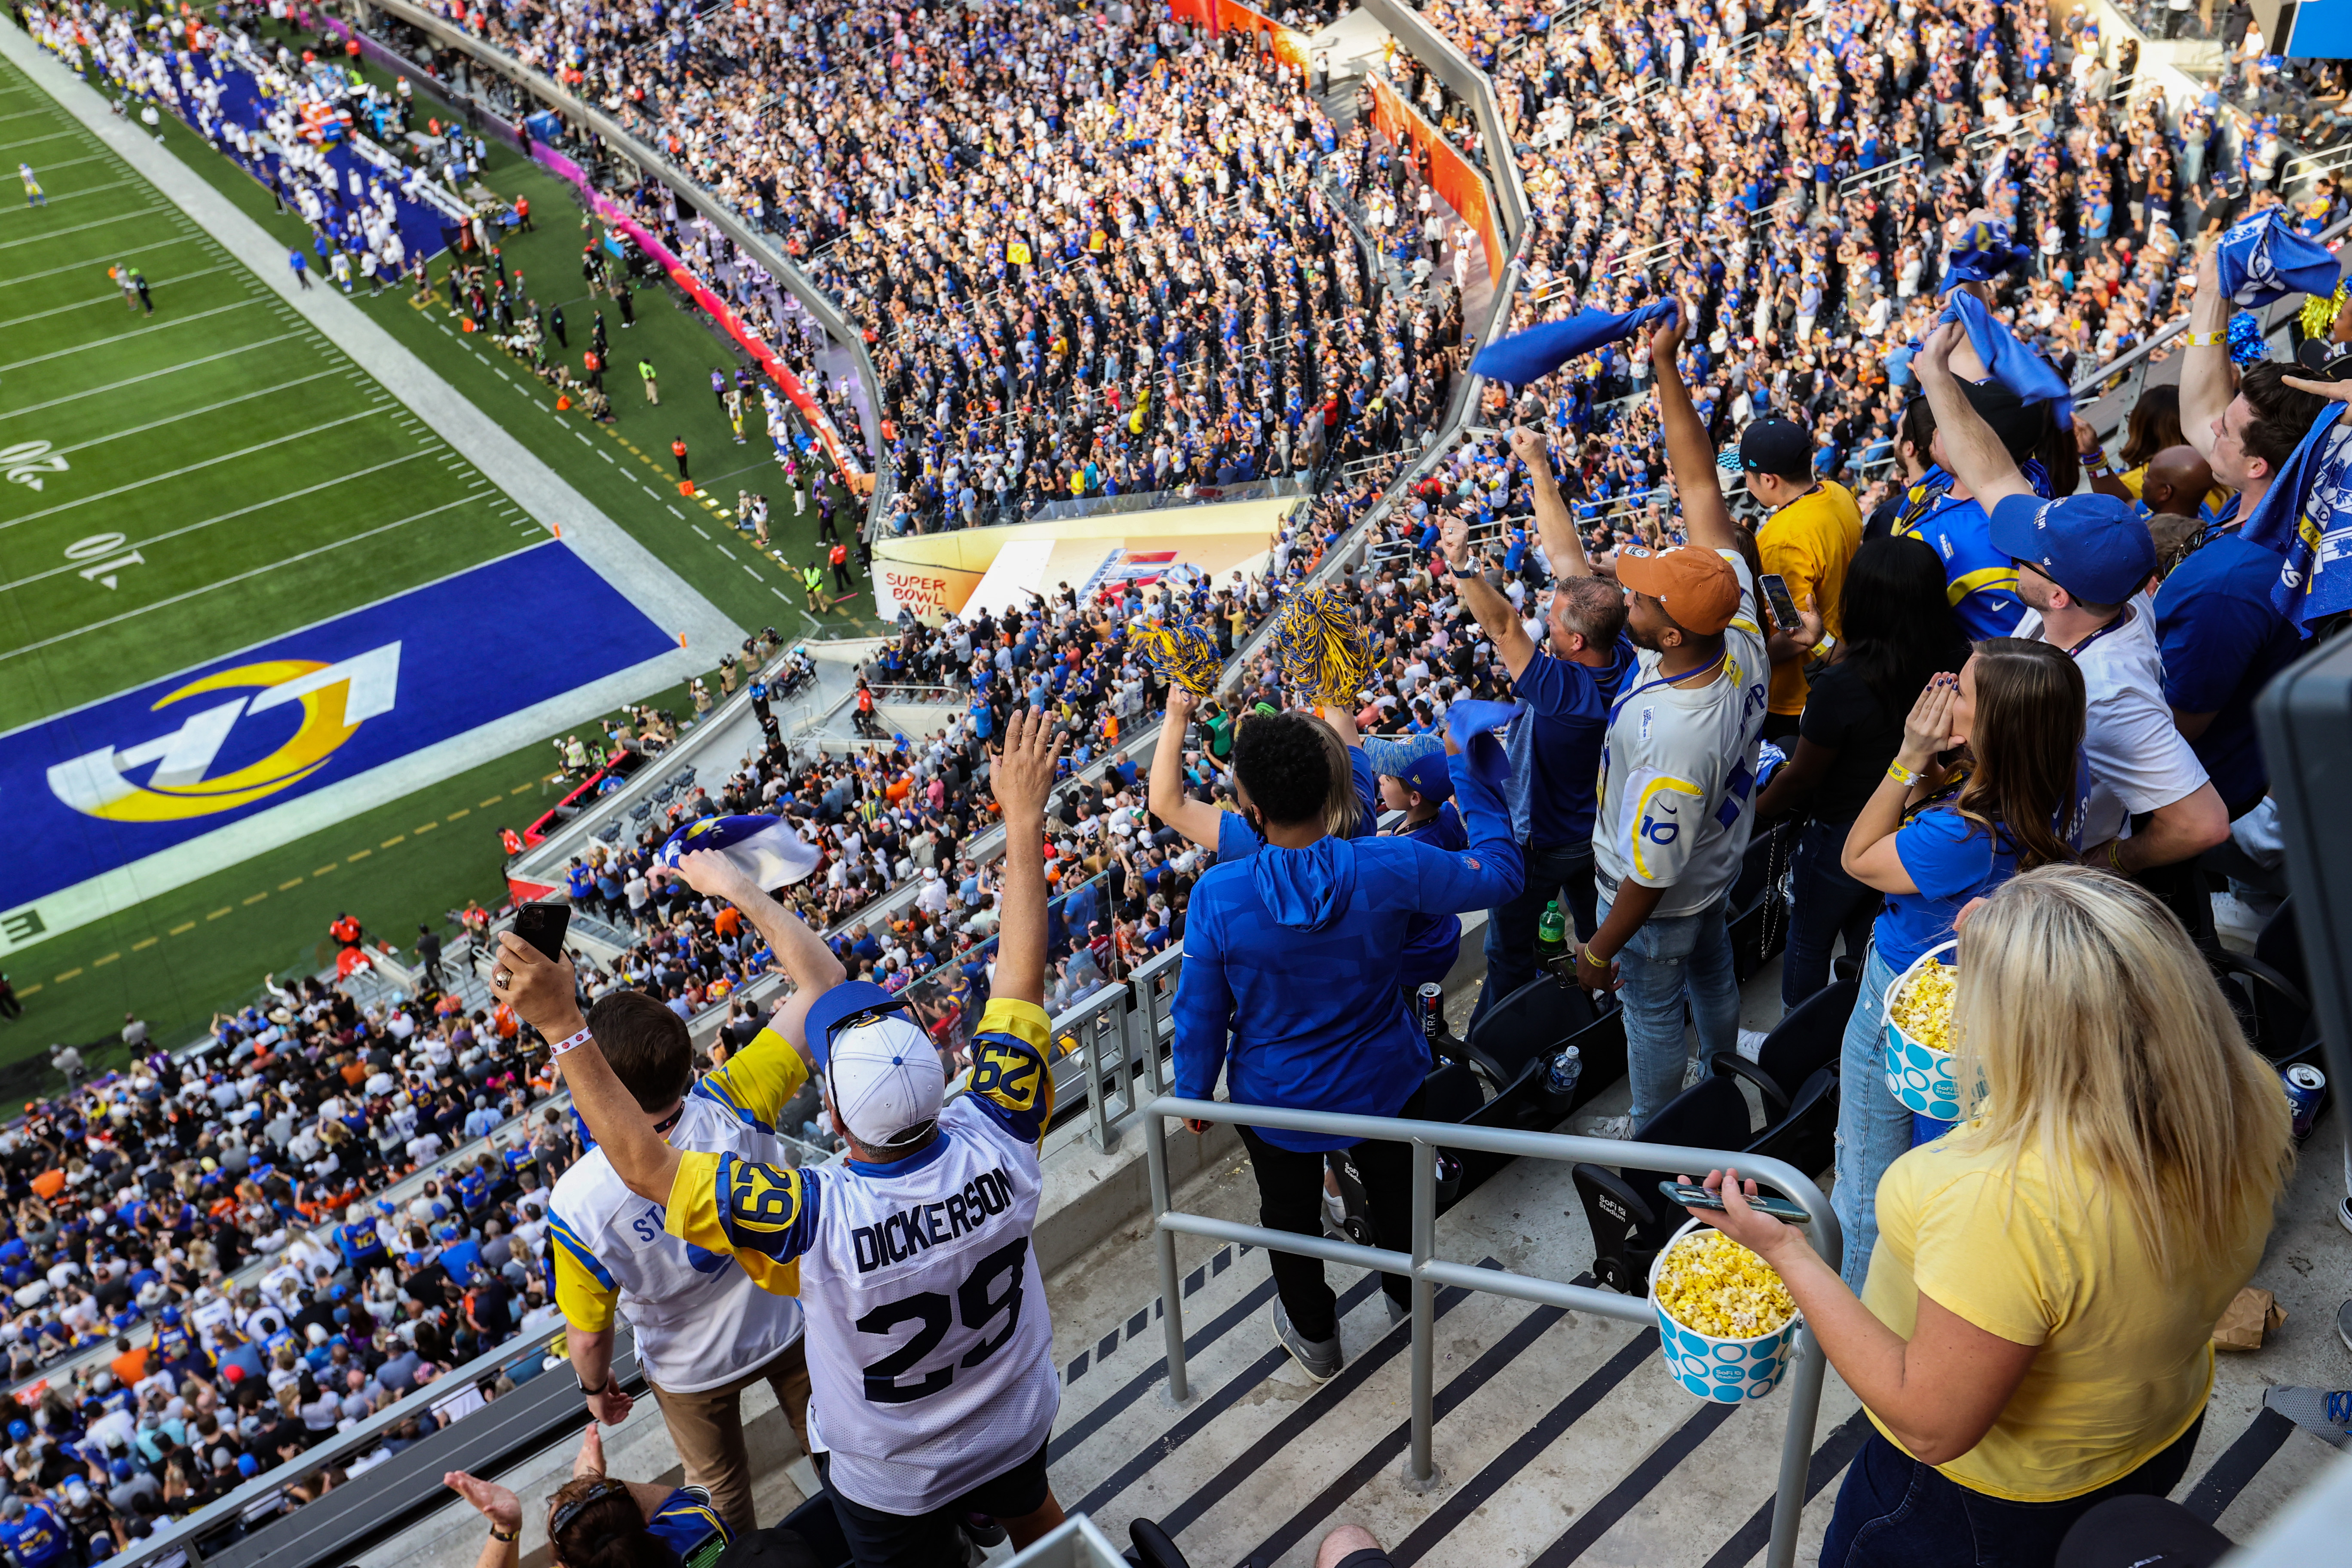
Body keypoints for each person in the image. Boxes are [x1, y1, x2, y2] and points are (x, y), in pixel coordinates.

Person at [492, 710, 1073, 1568]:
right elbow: (1021, 977)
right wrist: (1024, 822)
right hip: (1016, 1414)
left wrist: (560, 1021)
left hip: (893, 1469)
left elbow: (647, 1168)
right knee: (1041, 1520)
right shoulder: (999, 1134)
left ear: (834, 1121)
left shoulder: (817, 1218)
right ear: (951, 1084)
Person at [1680, 867, 2294, 1568]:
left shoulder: (1999, 1202)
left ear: (2033, 1041)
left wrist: (1788, 1252)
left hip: (1979, 1506)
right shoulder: (2242, 1091)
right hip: (2150, 1432)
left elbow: (1931, 1425)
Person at [1169, 702, 1522, 1380]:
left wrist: (1194, 1092)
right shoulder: (1391, 862)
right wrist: (1463, 768)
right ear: (1332, 788)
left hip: (1275, 1098)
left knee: (1289, 1216)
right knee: (1398, 1197)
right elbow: (1502, 876)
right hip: (1382, 1079)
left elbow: (1200, 1013)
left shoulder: (1219, 894)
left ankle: (1316, 1338)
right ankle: (1408, 1296)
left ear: (1248, 802)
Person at [1913, 321, 2230, 951]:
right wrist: (1936, 379)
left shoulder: (2107, 689)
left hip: (2050, 887)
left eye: (2024, 558)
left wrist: (2107, 861)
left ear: (2057, 593)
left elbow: (2203, 824)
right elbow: (1994, 474)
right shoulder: (2101, 590)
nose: (2012, 558)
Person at [1830, 638, 2088, 1288]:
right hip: (1990, 992)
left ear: (1996, 729)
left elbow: (1859, 858)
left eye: (1962, 693)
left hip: (1909, 997)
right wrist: (1946, 773)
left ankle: (1856, 1318)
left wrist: (1906, 760)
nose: (1943, 699)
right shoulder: (2057, 771)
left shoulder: (1965, 836)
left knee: (1867, 1182)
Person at [1571, 304, 1770, 1131]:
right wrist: (1664, 365)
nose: (1630, 595)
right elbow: (1697, 483)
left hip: (1662, 897)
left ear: (1673, 628)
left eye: (1643, 595)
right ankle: (1721, 1070)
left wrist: (1597, 948)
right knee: (1716, 972)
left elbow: (1650, 873)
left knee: (1651, 1011)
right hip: (1716, 865)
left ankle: (1656, 1128)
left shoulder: (1673, 739)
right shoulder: (1739, 619)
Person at [546, 970, 814, 1533]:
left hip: (691, 1367)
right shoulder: (734, 1096)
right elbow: (820, 984)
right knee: (833, 1437)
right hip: (789, 1318)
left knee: (719, 1493)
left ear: (601, 1085)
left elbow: (590, 1334)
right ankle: (892, 1531)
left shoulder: (578, 1199)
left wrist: (595, 1390)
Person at [1451, 429, 1632, 1026]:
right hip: (1598, 834)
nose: (1543, 620)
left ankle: (1494, 1044)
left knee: (1508, 951)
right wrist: (1536, 464)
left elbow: (1504, 627)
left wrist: (1461, 567)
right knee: (1599, 931)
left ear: (1574, 641)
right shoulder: (1620, 651)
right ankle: (1608, 1007)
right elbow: (1567, 559)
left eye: (1552, 622)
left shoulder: (1563, 694)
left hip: (1546, 847)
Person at [1755, 537, 1971, 1009]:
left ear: (1862, 603)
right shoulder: (1957, 657)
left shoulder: (1843, 684)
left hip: (1840, 835)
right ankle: (1856, 1023)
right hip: (1913, 829)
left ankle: (1799, 1038)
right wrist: (1824, 645)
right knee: (1870, 940)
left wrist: (1754, 814)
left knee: (1809, 938)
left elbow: (1803, 778)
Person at [445, 1423, 818, 1568]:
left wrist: (506, 1527)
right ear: (643, 1522)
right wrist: (593, 1485)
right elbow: (659, 1500)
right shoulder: (698, 1530)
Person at [1740, 416, 1861, 741]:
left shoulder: (1781, 540)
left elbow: (1793, 635)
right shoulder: (1838, 493)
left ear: (1768, 480)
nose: (1746, 483)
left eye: (1747, 476)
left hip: (1798, 695)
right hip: (1846, 656)